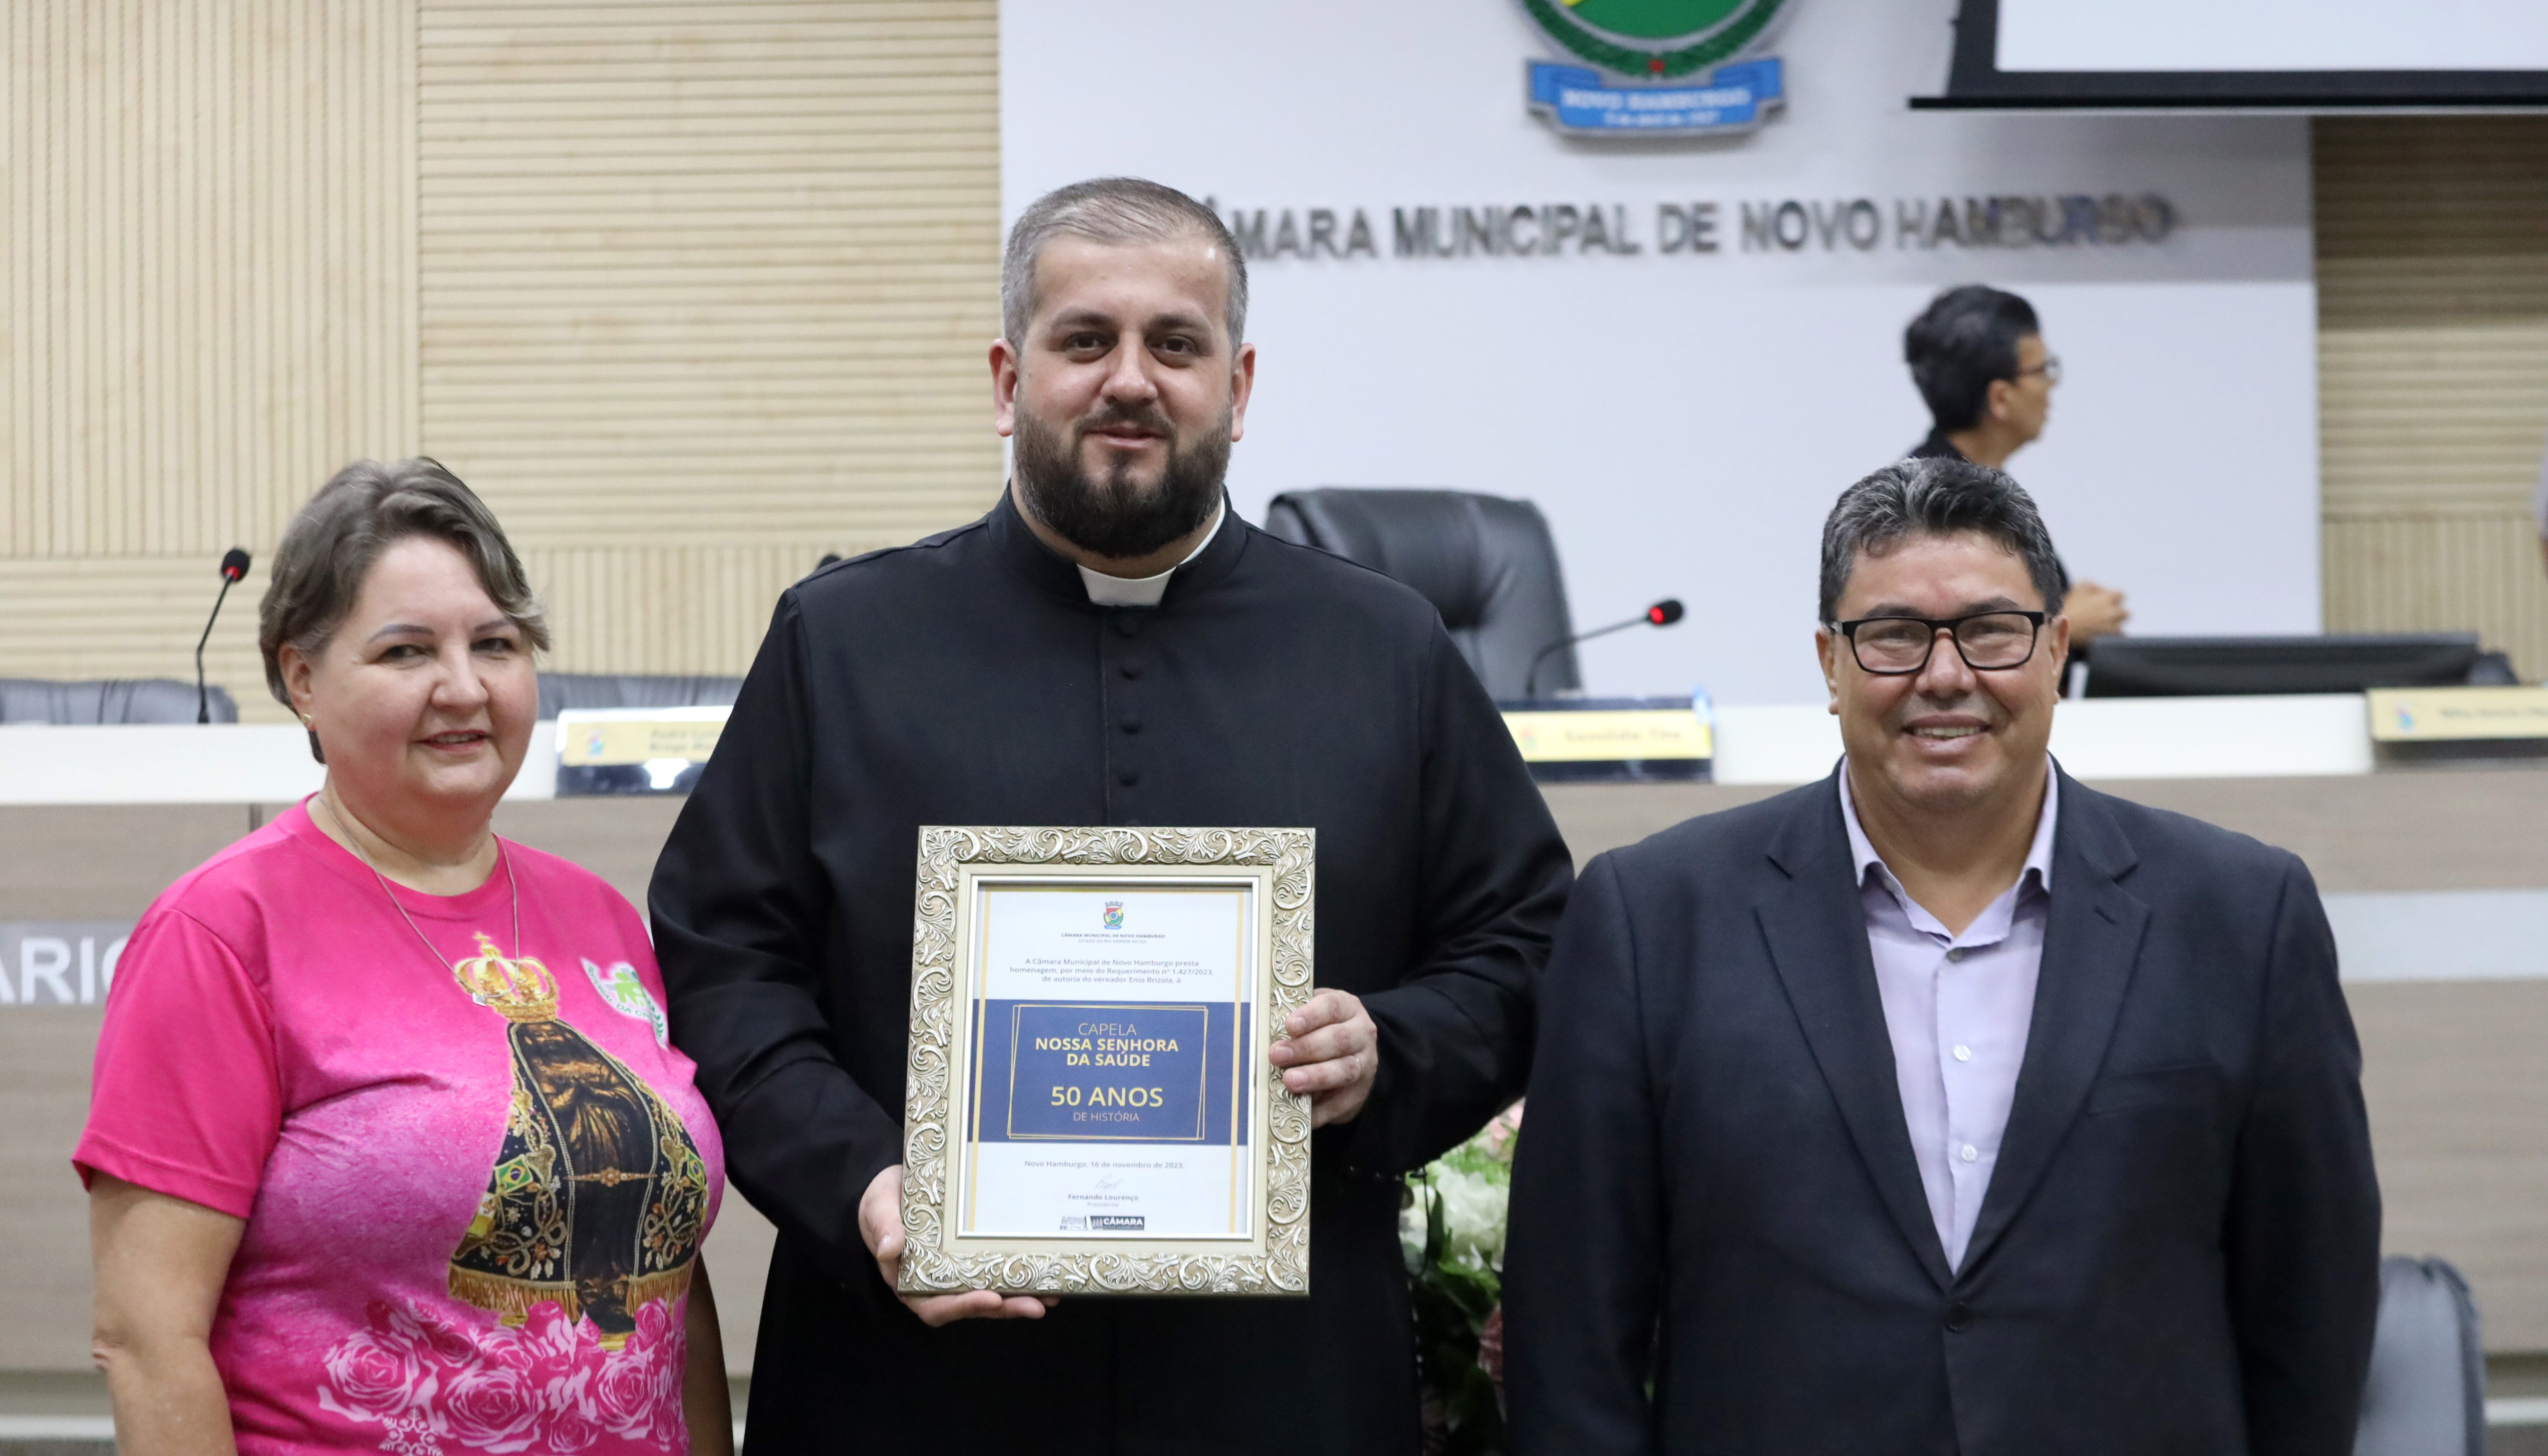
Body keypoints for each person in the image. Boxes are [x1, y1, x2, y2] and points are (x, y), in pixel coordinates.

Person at [648, 176, 1573, 1454]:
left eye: (1175, 344)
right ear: (1005, 378)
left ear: (1238, 389)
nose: (1130, 380)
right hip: (911, 1383)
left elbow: (1525, 942)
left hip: (1279, 1388)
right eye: (1085, 340)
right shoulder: (844, 643)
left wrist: (1390, 1049)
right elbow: (722, 962)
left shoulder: (1384, 649)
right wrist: (865, 1180)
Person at [1503, 457, 2380, 1454]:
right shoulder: (1651, 919)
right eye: (1894, 636)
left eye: (1992, 630)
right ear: (1830, 664)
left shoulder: (2239, 915)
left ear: (2056, 650)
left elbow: (2313, 1305)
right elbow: (1571, 1333)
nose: (1946, 675)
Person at [78, 460, 732, 1456]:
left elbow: (668, 1272)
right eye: (405, 651)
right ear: (301, 678)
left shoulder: (601, 918)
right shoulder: (219, 933)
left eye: (497, 644)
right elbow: (148, 1339)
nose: (463, 687)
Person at [1904, 284, 2128, 644]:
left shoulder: (1978, 486)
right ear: (2001, 397)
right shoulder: (1929, 503)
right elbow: (1944, 637)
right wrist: (2064, 626)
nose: (2050, 387)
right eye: (2042, 371)